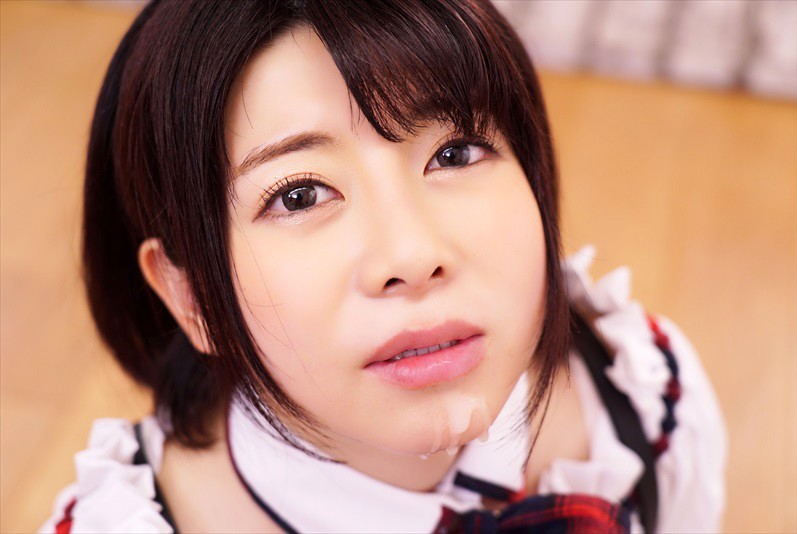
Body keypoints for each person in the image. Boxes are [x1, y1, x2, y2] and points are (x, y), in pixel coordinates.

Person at [41, 0, 727, 532]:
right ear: (191, 295)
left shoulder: (644, 401)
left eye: (455, 153)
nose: (413, 256)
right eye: (300, 195)